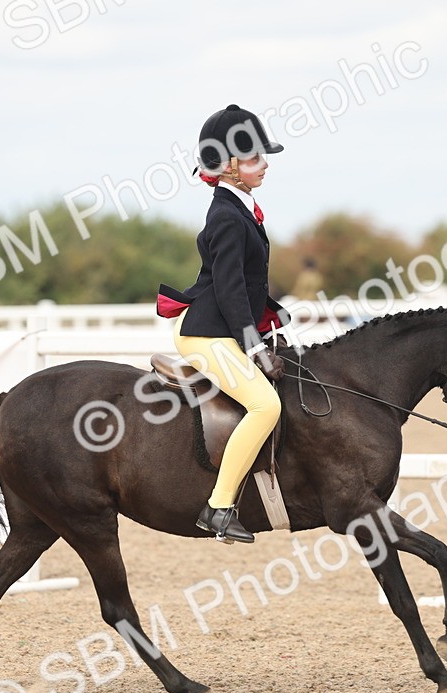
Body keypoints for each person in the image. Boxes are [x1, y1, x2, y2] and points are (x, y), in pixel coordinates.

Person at [156, 104, 288, 544]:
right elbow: (229, 289)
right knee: (265, 405)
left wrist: (273, 314)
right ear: (230, 166)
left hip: (223, 324)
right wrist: (253, 343)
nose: (264, 165)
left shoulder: (241, 207)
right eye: (254, 159)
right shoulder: (227, 216)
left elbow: (244, 283)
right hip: (206, 334)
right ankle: (218, 507)